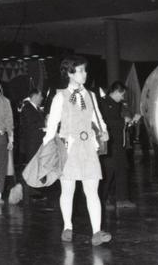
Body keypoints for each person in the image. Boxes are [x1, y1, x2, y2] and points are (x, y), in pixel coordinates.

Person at [42, 56, 111, 246]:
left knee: (92, 190)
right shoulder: (60, 96)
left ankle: (96, 232)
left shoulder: (91, 95)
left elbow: (97, 119)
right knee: (68, 190)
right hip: (68, 148)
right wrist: (46, 149)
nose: (85, 74)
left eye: (85, 70)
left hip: (88, 146)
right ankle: (67, 226)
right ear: (70, 73)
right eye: (80, 70)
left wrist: (104, 131)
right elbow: (52, 125)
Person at [99, 81, 136, 210]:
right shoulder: (103, 103)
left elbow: (123, 119)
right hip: (109, 144)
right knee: (108, 173)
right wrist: (122, 121)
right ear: (116, 91)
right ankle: (103, 200)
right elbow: (105, 122)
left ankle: (122, 199)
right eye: (122, 94)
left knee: (122, 170)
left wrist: (130, 121)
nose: (123, 97)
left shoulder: (119, 105)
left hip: (120, 143)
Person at [17, 89, 45, 201]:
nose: (42, 98)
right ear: (35, 96)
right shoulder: (28, 108)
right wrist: (44, 124)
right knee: (33, 165)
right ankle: (33, 191)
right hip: (31, 142)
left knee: (36, 165)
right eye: (41, 96)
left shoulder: (35, 108)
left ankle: (36, 189)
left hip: (36, 141)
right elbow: (29, 125)